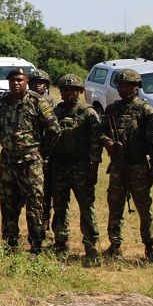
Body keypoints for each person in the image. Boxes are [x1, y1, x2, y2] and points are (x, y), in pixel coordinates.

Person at [0, 67, 60, 255]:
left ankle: (36, 245)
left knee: (34, 204)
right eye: (12, 80)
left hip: (30, 162)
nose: (16, 83)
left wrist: (42, 151)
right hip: (8, 161)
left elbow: (54, 129)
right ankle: (10, 243)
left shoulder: (37, 102)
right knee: (8, 203)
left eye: (19, 80)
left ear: (26, 82)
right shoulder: (4, 103)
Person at [100, 68, 153, 262]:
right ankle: (115, 245)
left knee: (144, 209)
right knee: (115, 207)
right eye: (120, 85)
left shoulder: (145, 110)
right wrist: (107, 142)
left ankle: (149, 247)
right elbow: (100, 132)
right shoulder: (112, 110)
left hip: (138, 166)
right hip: (118, 166)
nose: (123, 88)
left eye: (127, 85)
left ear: (136, 87)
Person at [50, 74, 103, 260]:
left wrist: (93, 168)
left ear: (80, 91)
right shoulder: (56, 112)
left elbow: (96, 143)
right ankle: (61, 241)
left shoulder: (88, 113)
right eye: (64, 89)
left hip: (81, 167)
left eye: (72, 89)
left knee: (86, 207)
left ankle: (90, 244)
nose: (68, 92)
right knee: (60, 206)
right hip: (59, 167)